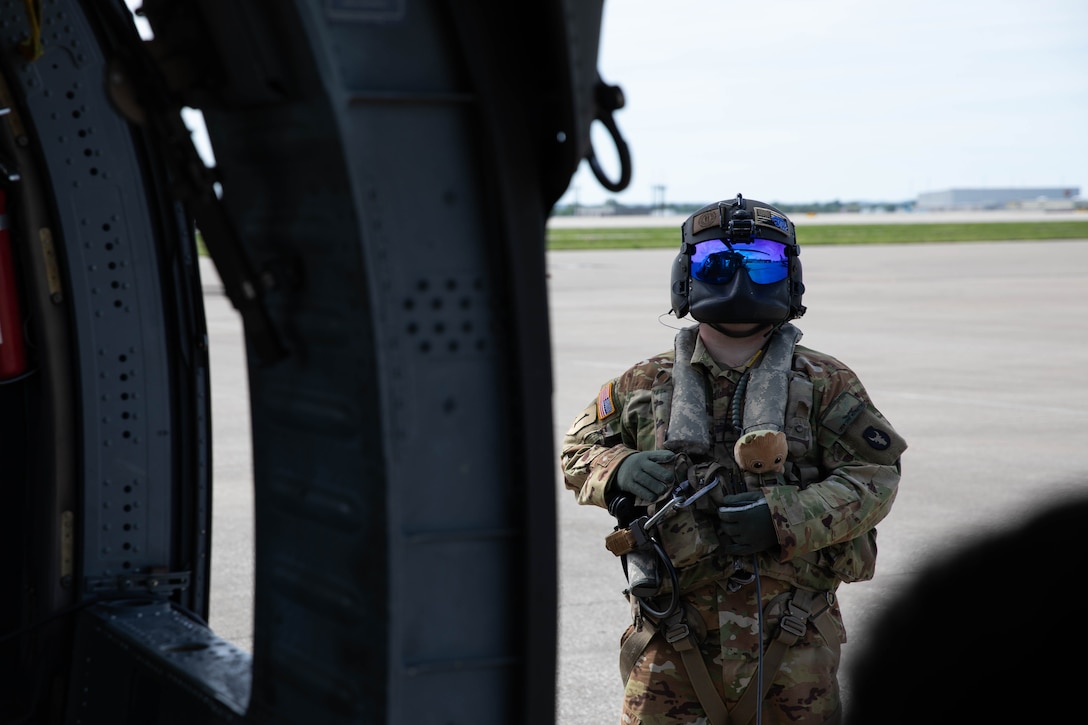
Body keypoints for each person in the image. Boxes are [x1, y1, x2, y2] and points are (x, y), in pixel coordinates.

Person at [560, 194, 907, 725]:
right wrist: (617, 470)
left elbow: (875, 477)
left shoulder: (826, 384)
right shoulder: (642, 384)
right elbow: (577, 451)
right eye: (716, 262)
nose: (739, 278)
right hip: (672, 644)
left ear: (788, 277)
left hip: (794, 648)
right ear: (686, 276)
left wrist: (785, 517)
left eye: (762, 262)